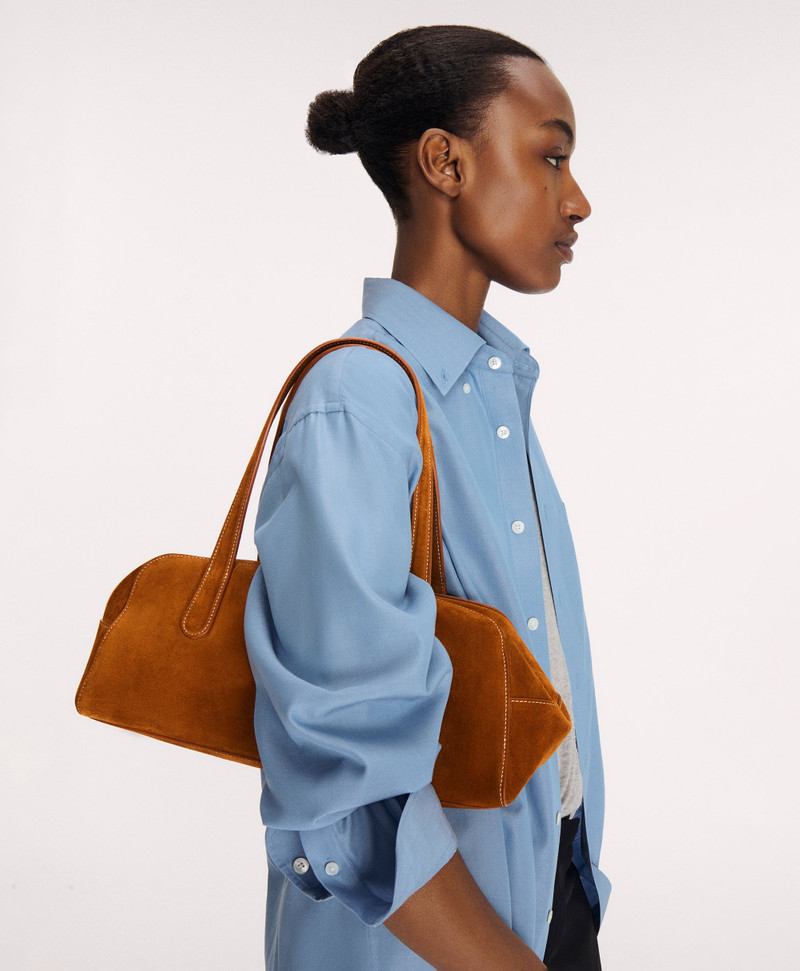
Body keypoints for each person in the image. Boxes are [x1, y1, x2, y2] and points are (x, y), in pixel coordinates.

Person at [244, 24, 610, 970]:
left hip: (550, 902)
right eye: (552, 156)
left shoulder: (494, 391)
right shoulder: (358, 402)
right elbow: (350, 785)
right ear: (445, 162)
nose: (578, 199)